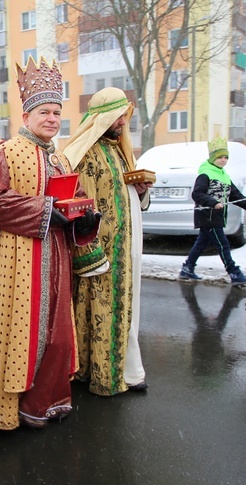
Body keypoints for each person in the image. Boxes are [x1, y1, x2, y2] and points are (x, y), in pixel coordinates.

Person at [0, 57, 99, 431]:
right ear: (27, 115)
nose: (52, 118)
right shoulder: (8, 152)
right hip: (17, 261)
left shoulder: (59, 157)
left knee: (55, 334)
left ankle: (46, 400)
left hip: (55, 258)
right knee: (19, 336)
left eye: (57, 112)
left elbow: (74, 198)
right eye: (44, 111)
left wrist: (85, 218)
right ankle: (12, 407)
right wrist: (43, 211)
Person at [63, 87, 151, 396]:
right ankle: (100, 375)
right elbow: (81, 207)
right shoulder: (85, 154)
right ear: (101, 118)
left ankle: (127, 369)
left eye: (124, 116)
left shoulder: (117, 150)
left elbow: (126, 197)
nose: (123, 123)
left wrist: (141, 192)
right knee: (98, 312)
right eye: (117, 117)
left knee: (123, 311)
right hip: (102, 252)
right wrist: (89, 253)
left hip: (125, 251)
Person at [178, 136, 246, 285]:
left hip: (217, 216)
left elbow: (235, 195)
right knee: (223, 244)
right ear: (213, 158)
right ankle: (234, 273)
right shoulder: (205, 174)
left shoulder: (224, 175)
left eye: (226, 157)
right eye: (220, 157)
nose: (223, 160)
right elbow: (197, 194)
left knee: (201, 243)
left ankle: (187, 268)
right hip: (207, 215)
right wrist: (213, 202)